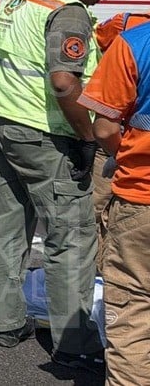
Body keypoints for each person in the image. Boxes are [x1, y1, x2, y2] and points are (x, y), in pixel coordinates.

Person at [0, 0, 126, 374]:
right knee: (72, 238)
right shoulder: (69, 11)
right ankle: (74, 345)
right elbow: (64, 82)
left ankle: (5, 324)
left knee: (7, 225)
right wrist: (87, 137)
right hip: (42, 134)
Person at [78, 20, 150, 385]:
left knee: (133, 311)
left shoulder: (134, 41)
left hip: (142, 196)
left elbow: (105, 127)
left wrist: (121, 156)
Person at [92, 10, 150, 261]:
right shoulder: (127, 25)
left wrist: (118, 154)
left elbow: (104, 129)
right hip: (125, 144)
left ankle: (94, 265)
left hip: (135, 173)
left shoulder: (130, 31)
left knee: (98, 207)